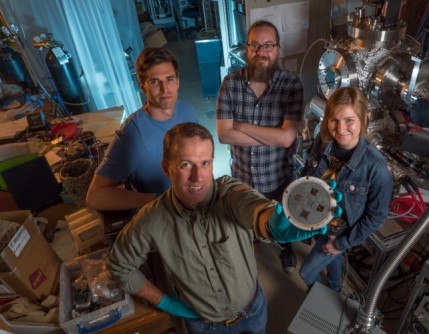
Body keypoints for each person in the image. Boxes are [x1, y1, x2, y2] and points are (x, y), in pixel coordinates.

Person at [108, 122, 325, 334]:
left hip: (253, 312)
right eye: (186, 164)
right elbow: (119, 266)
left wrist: (272, 225)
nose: (198, 177)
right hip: (204, 326)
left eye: (205, 163)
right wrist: (166, 302)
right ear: (166, 168)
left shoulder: (230, 193)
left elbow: (255, 208)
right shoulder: (151, 220)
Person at [216, 20, 303, 274]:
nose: (261, 51)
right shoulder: (230, 84)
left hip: (278, 178)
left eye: (268, 45)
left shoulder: (291, 85)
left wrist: (241, 126)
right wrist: (272, 135)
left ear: (278, 49)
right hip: (242, 178)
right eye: (255, 45)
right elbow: (223, 135)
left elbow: (287, 139)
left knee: (283, 222)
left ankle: (285, 247)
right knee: (245, 224)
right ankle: (249, 247)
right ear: (246, 49)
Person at [298, 87, 393, 293]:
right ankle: (335, 289)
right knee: (332, 259)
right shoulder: (322, 142)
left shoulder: (376, 167)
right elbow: (307, 175)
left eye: (349, 120)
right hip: (318, 222)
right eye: (334, 119)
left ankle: (320, 299)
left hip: (340, 233)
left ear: (362, 120)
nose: (341, 128)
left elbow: (376, 216)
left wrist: (341, 244)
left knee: (306, 273)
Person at [86, 47, 197, 211]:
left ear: (178, 81)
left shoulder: (187, 110)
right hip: (162, 215)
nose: (165, 89)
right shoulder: (132, 134)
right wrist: (159, 199)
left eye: (169, 79)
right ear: (143, 85)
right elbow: (95, 197)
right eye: (154, 81)